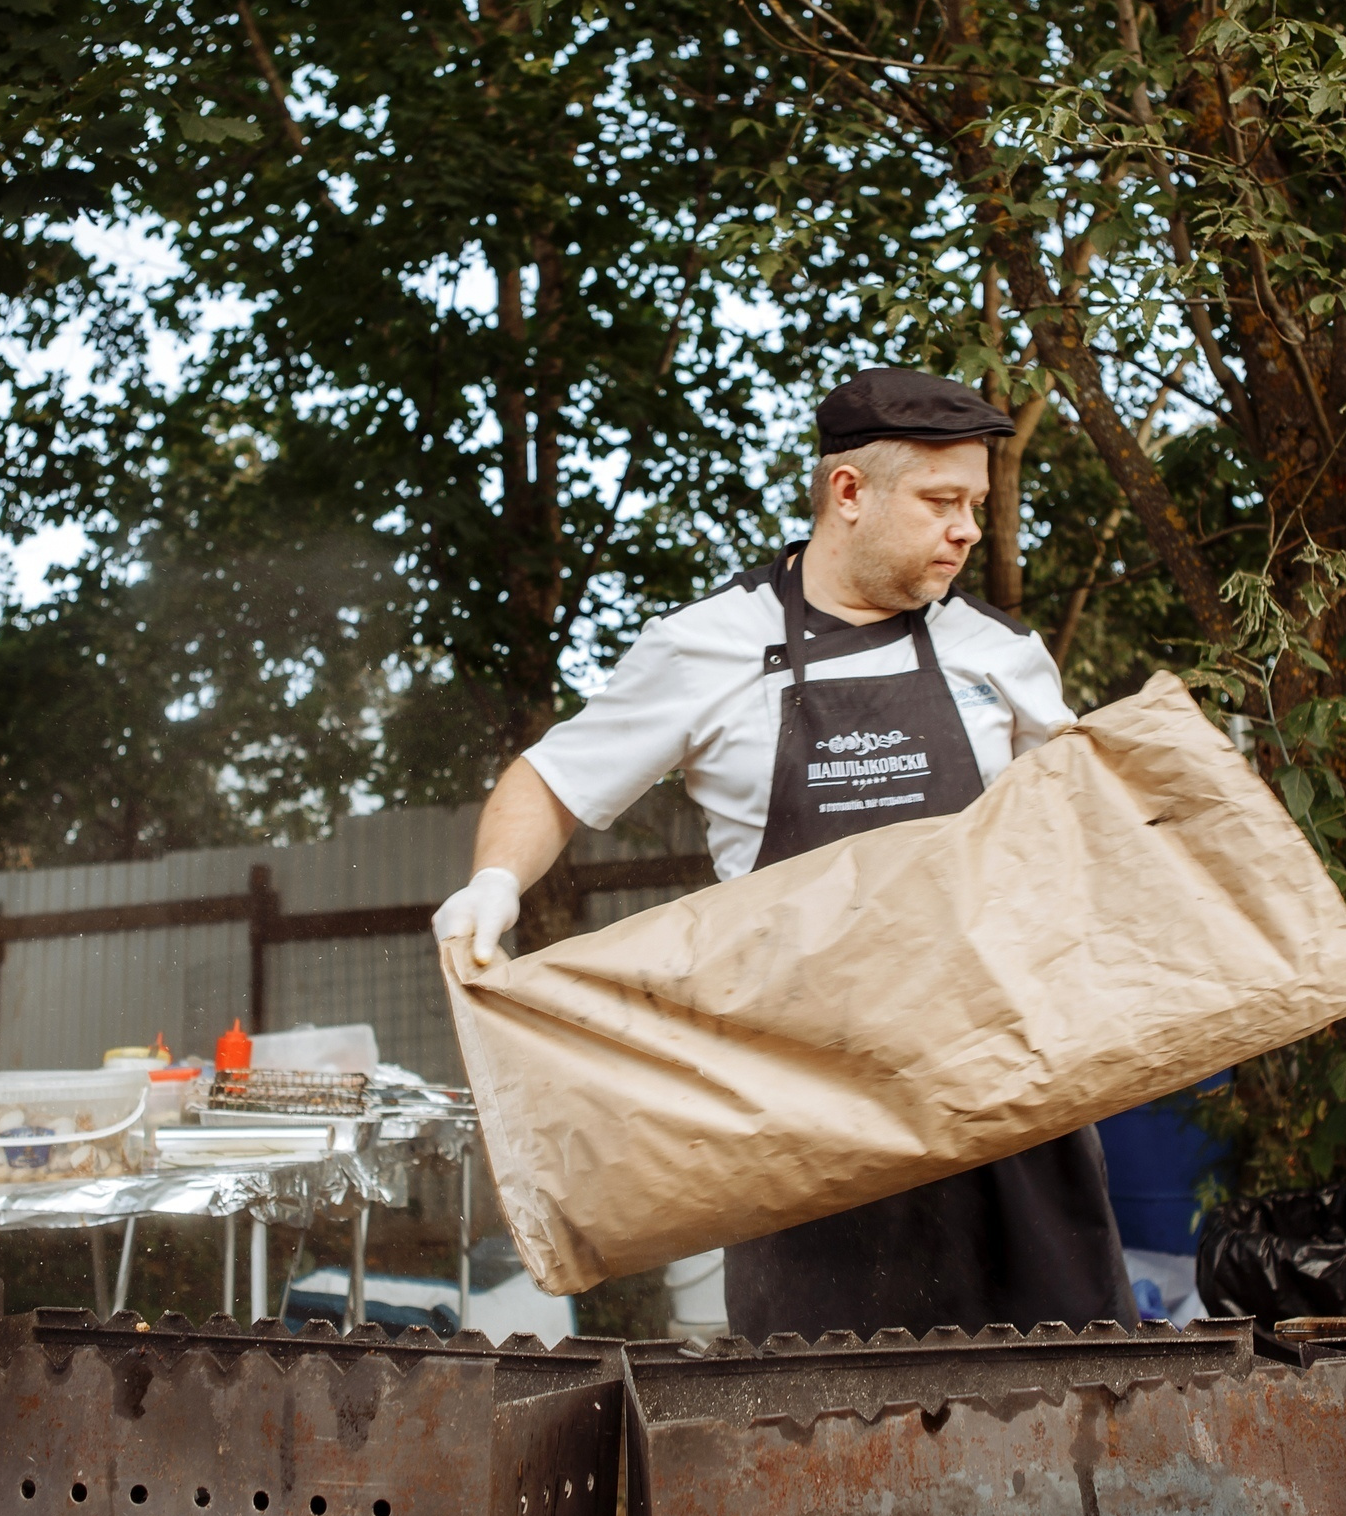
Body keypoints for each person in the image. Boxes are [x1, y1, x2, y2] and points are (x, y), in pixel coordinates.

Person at [431, 367, 1137, 1341]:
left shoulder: (997, 652)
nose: (969, 529)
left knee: (1068, 1403)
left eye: (975, 504)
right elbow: (551, 780)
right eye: (941, 503)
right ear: (848, 495)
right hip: (809, 1120)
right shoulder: (709, 646)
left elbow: (1072, 827)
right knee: (827, 1432)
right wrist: (493, 884)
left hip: (1006, 1094)